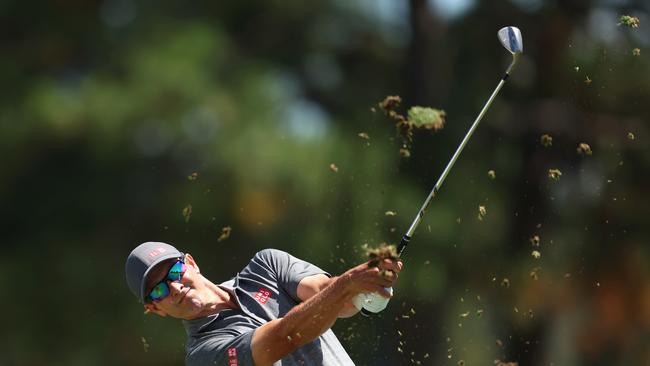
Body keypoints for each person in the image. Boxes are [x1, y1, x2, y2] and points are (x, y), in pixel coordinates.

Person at [125, 241, 403, 366]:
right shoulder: (202, 354)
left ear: (191, 263)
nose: (174, 287)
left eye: (174, 272)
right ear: (156, 309)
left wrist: (368, 285)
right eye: (158, 289)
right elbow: (284, 338)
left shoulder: (266, 266)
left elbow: (331, 296)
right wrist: (349, 285)